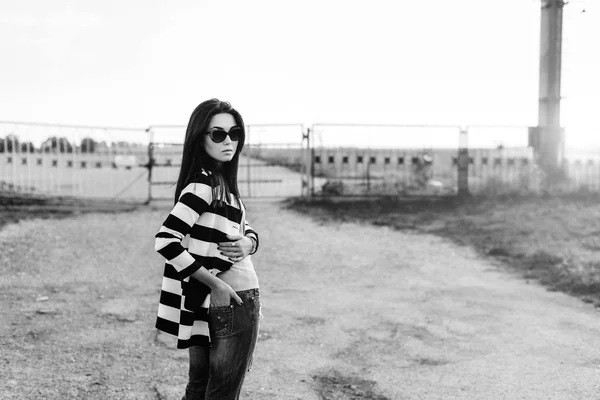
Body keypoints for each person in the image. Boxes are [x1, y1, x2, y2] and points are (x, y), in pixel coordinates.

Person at [154, 99, 261, 400]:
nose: (229, 141)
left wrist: (249, 242)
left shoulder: (222, 185)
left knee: (199, 388)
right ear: (199, 138)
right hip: (232, 296)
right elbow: (165, 240)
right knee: (221, 393)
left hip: (205, 301)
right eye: (218, 134)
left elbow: (245, 227)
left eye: (235, 133)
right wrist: (216, 284)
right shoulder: (204, 186)